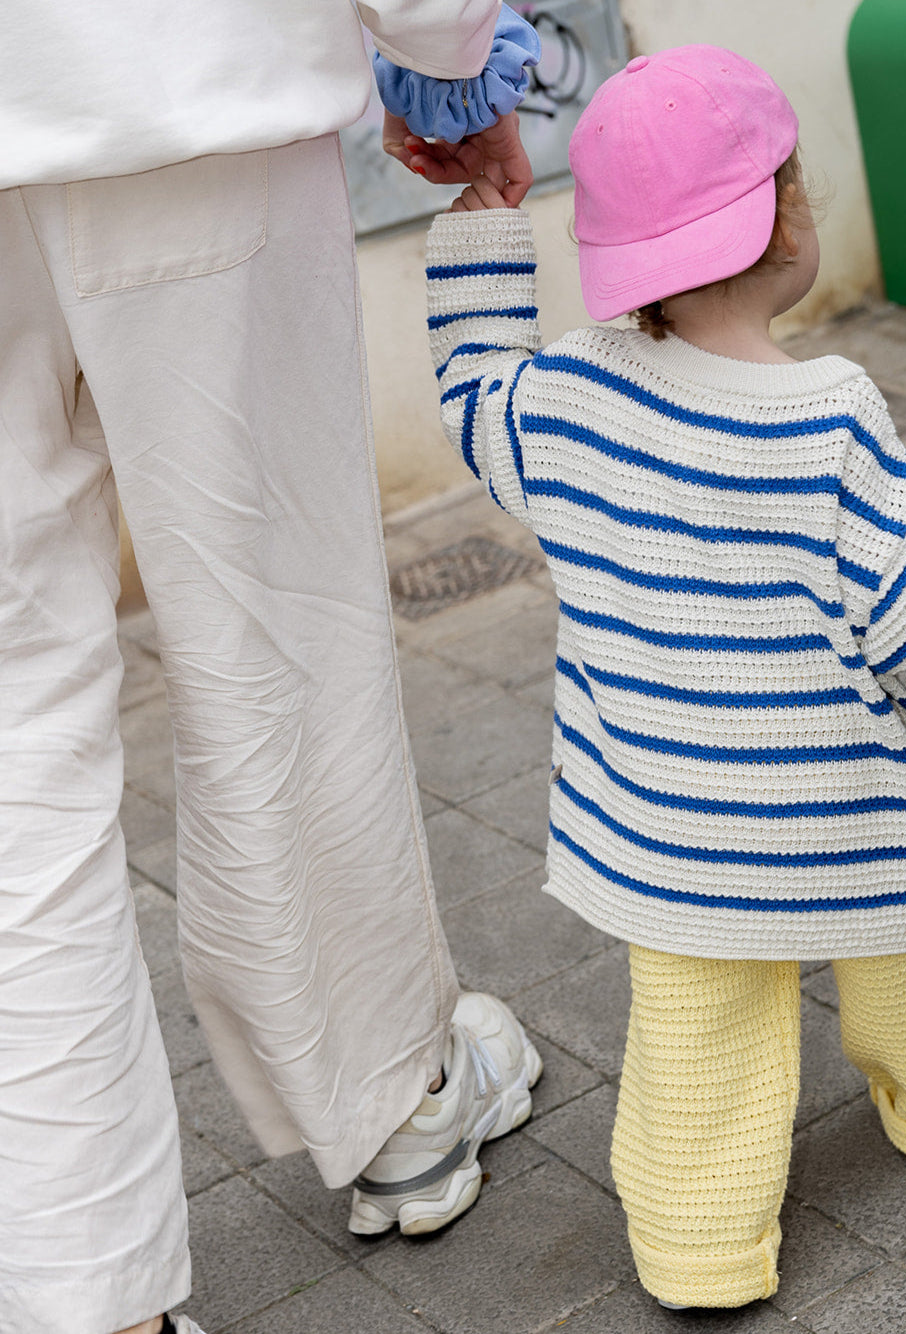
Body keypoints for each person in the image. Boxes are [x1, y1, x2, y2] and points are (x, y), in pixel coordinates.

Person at [408, 44, 906, 1310]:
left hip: (667, 828)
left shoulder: (563, 398)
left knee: (694, 1038)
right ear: (783, 221)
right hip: (841, 811)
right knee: (902, 952)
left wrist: (481, 236)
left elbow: (473, 391)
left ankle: (697, 1247)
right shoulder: (825, 417)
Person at [0, 5, 542, 1333]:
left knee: (14, 734)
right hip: (181, 81)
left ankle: (94, 1306)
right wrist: (446, 57)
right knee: (278, 638)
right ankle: (396, 1104)